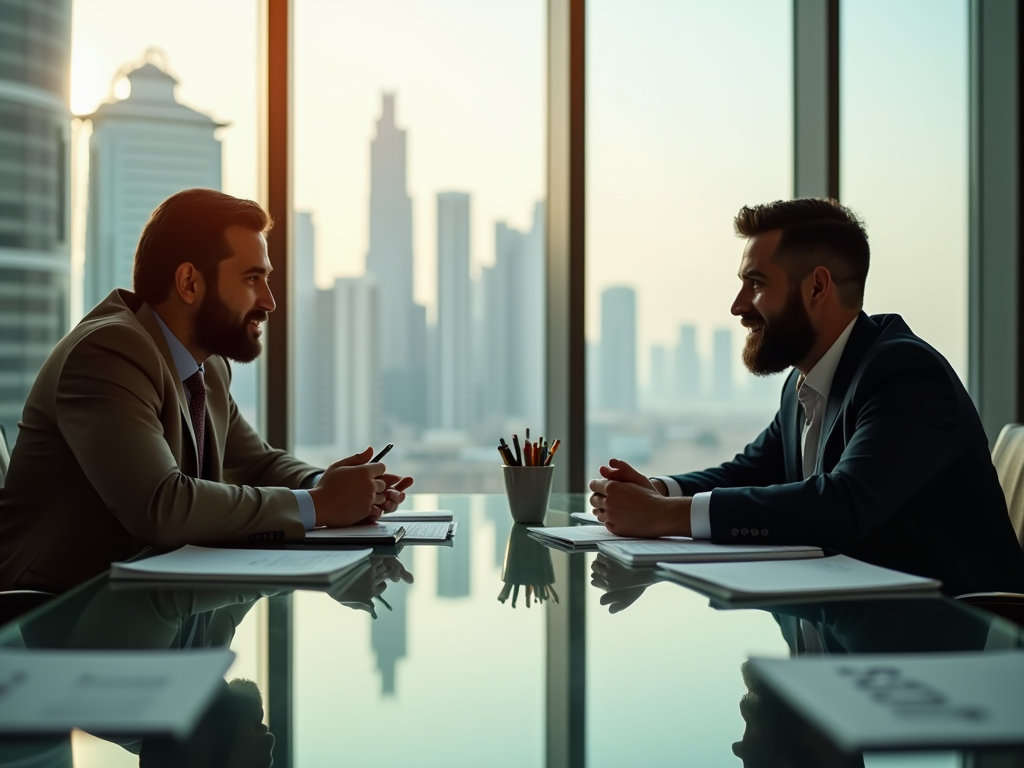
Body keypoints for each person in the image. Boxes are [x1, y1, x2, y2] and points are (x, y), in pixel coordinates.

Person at [588, 198, 1024, 596]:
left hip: (950, 642)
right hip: (853, 628)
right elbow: (753, 471)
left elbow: (843, 505)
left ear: (817, 287)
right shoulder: (805, 382)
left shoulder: (905, 374)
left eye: (755, 283)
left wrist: (662, 516)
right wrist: (660, 490)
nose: (738, 306)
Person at [0, 188, 413, 592]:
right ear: (189, 283)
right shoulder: (108, 352)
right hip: (57, 616)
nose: (269, 301)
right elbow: (161, 506)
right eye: (253, 279)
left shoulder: (207, 366)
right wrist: (322, 505)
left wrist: (330, 483)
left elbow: (256, 464)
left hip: (152, 600)